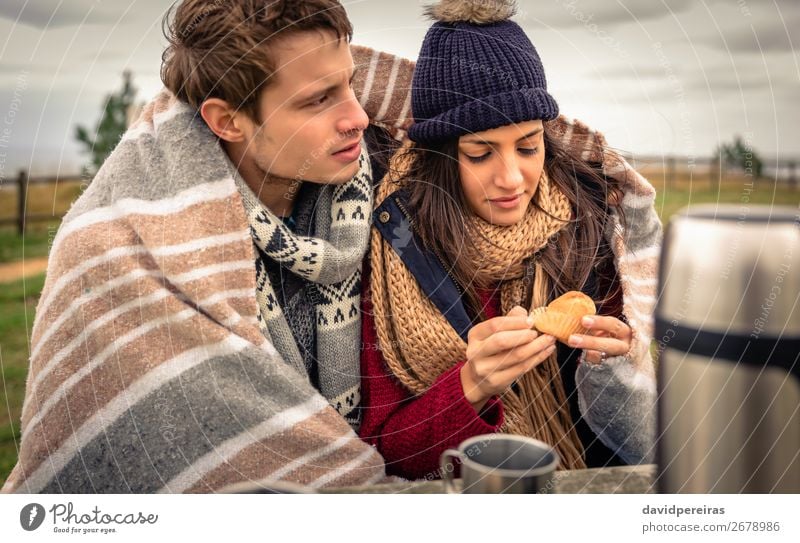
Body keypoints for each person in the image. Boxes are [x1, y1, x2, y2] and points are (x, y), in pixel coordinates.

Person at [2, 0, 416, 493]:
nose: (358, 116)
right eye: (318, 100)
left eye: (350, 84)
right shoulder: (118, 259)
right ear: (227, 121)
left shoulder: (390, 187)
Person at [359, 0, 661, 479]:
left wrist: (613, 369)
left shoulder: (588, 236)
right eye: (480, 153)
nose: (512, 179)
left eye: (527, 147)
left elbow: (645, 444)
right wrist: (469, 386)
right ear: (441, 157)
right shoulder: (392, 247)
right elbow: (380, 455)